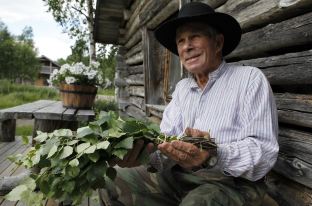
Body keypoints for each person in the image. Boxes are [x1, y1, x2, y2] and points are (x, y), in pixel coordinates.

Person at [100, 2, 279, 206]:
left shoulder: (249, 79)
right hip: (181, 176)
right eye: (181, 41)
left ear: (218, 43)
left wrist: (214, 153)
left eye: (195, 37)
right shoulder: (183, 88)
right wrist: (141, 154)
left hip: (232, 182)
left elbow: (263, 151)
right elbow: (165, 143)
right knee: (111, 179)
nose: (186, 47)